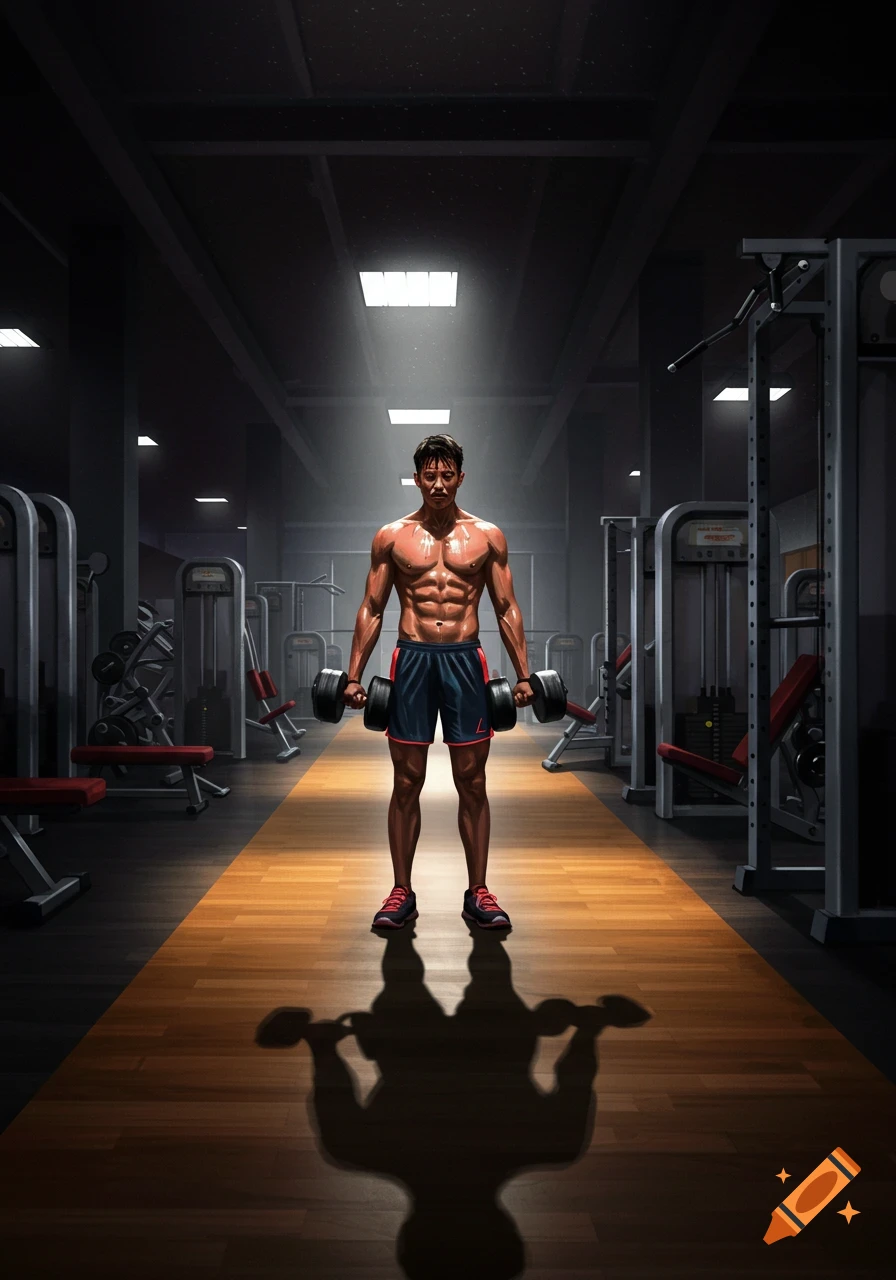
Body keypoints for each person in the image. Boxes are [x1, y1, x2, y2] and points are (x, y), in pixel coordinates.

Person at [343, 433, 535, 930]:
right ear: (416, 477)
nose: (438, 483)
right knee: (406, 780)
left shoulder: (488, 535)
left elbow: (505, 606)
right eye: (429, 474)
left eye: (447, 474)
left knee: (472, 780)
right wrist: (352, 675)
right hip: (412, 661)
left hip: (464, 662)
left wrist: (524, 675)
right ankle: (401, 892)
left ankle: (479, 893)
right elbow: (373, 606)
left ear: (461, 477)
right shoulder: (392, 536)